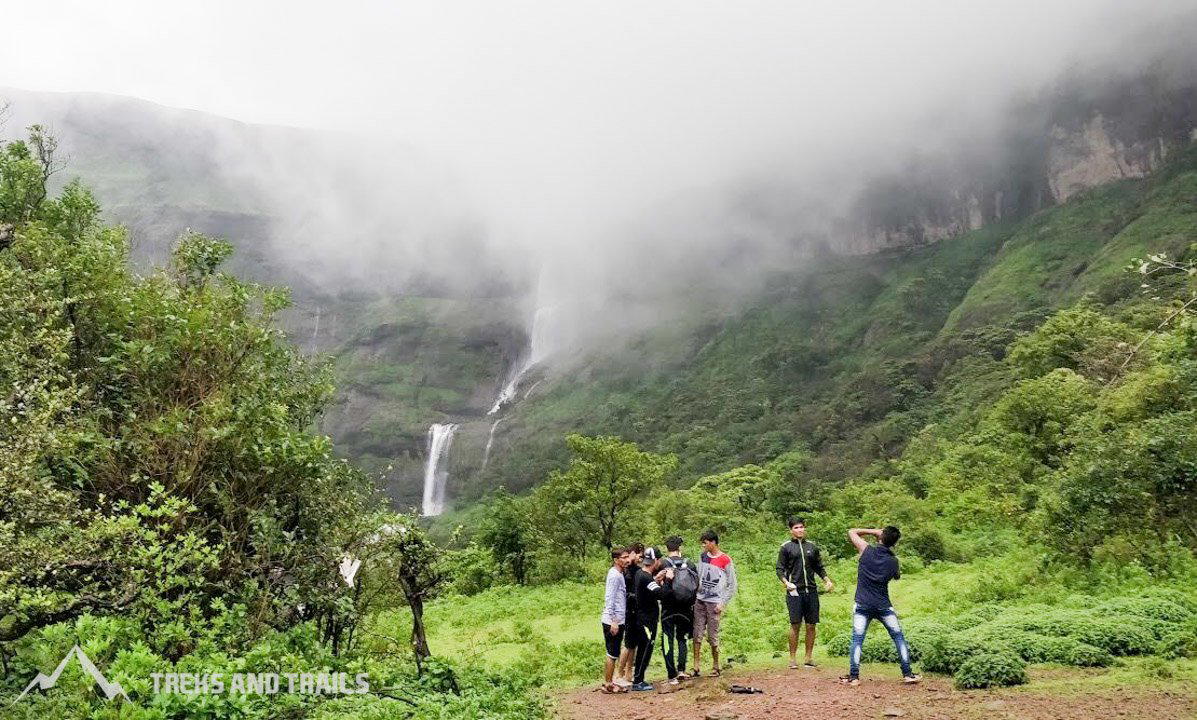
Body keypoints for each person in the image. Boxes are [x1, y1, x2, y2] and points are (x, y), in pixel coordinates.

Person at [840, 526, 920, 686]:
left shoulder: (866, 550)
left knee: (857, 639)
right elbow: (896, 576)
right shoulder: (893, 561)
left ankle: (854, 677)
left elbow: (851, 532)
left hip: (862, 603)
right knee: (898, 637)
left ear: (881, 536)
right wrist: (884, 538)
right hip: (883, 605)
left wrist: (873, 531)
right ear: (894, 543)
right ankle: (908, 674)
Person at [776, 517, 834, 669]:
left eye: (801, 527)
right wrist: (786, 582)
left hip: (812, 591)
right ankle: (792, 659)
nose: (800, 530)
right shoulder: (786, 547)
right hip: (794, 591)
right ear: (791, 530)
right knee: (795, 624)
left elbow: (818, 567)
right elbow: (779, 569)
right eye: (796, 527)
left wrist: (827, 580)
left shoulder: (812, 547)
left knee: (811, 625)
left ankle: (808, 658)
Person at [692, 529, 737, 677]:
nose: (703, 546)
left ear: (713, 542)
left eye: (705, 543)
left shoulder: (725, 559)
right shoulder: (703, 557)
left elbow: (732, 584)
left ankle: (716, 665)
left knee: (713, 634)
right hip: (700, 600)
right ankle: (696, 666)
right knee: (697, 632)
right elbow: (698, 576)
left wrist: (723, 602)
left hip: (715, 602)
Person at [656, 536, 696, 685]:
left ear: (667, 548)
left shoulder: (662, 564)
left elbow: (656, 582)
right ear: (680, 548)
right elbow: (696, 585)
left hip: (668, 608)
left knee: (667, 639)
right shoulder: (689, 564)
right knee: (682, 638)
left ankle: (671, 674)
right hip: (685, 608)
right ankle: (681, 670)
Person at [629, 547, 664, 691]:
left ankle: (639, 678)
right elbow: (660, 594)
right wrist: (667, 580)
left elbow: (649, 588)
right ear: (655, 561)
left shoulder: (640, 573)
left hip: (642, 617)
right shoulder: (646, 577)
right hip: (647, 620)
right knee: (645, 649)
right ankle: (638, 681)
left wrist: (656, 579)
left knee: (643, 648)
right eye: (659, 560)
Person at [601, 547, 631, 693]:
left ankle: (610, 682)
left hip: (619, 619)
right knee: (612, 653)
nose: (627, 560)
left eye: (627, 557)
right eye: (624, 558)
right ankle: (608, 684)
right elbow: (610, 598)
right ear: (616, 560)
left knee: (614, 652)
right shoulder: (614, 576)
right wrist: (613, 620)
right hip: (613, 621)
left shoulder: (619, 574)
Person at [615, 542, 644, 686]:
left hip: (636, 610)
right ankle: (619, 674)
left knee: (634, 644)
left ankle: (628, 673)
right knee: (628, 643)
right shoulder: (625, 570)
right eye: (639, 555)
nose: (641, 558)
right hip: (628, 610)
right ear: (633, 553)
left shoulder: (637, 570)